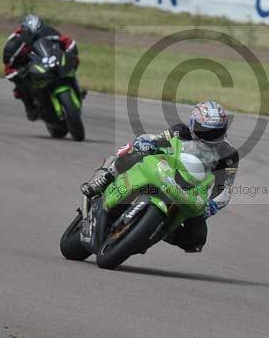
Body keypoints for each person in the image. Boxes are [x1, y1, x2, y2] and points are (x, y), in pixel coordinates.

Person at [81, 100, 239, 252]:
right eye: (203, 130)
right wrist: (145, 144)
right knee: (137, 153)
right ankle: (104, 179)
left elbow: (225, 188)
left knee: (197, 239)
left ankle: (157, 232)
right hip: (166, 171)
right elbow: (156, 139)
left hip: (192, 191)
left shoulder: (229, 154)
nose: (209, 136)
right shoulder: (180, 131)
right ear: (193, 125)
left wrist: (213, 205)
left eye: (216, 132)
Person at [2, 13, 84, 121]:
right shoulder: (13, 45)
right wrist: (19, 73)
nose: (33, 38)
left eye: (37, 34)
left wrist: (70, 51)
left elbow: (68, 42)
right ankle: (30, 108)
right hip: (28, 68)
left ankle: (76, 86)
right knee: (21, 87)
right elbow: (8, 69)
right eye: (29, 35)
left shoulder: (48, 31)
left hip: (48, 59)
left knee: (74, 60)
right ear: (23, 32)